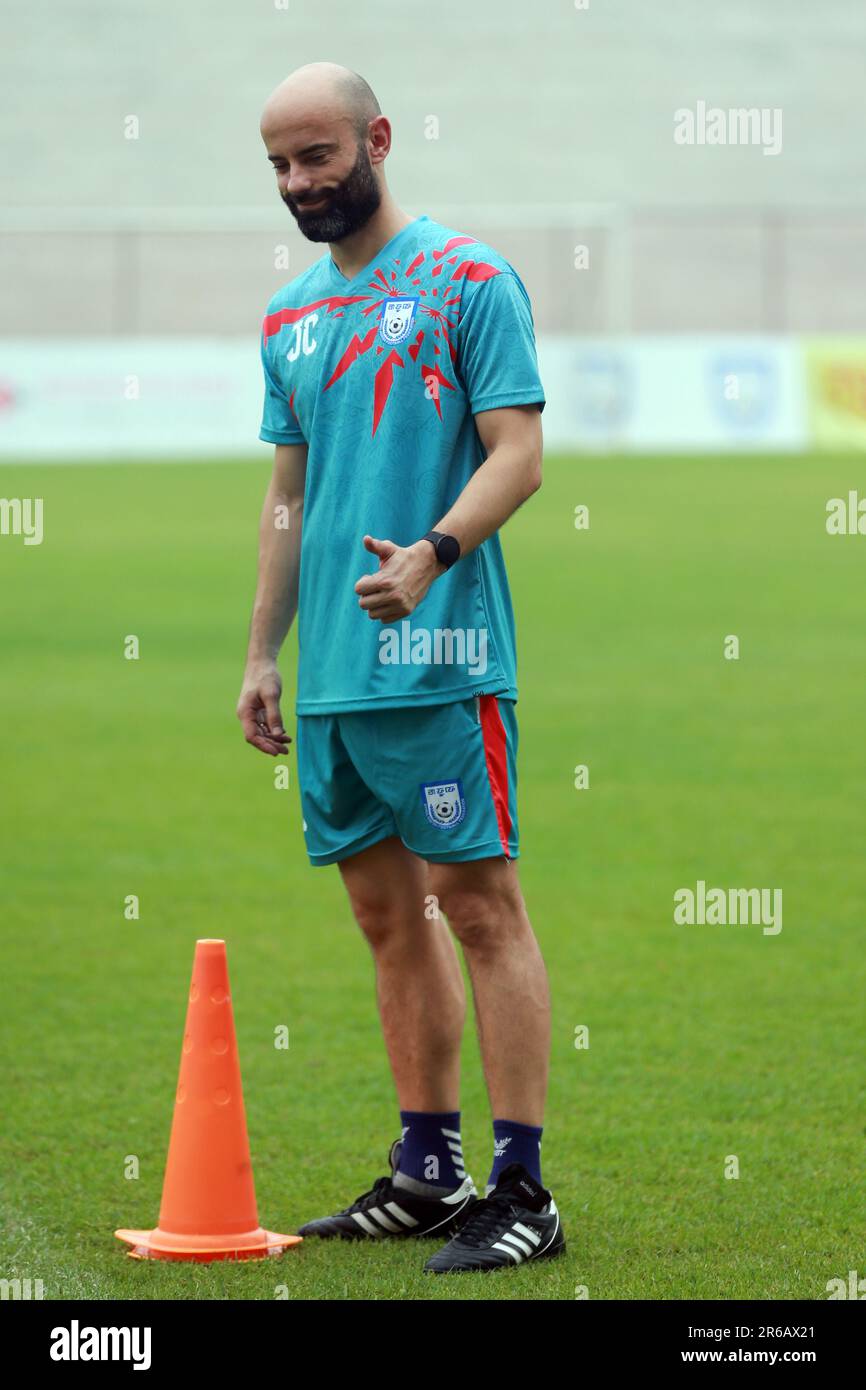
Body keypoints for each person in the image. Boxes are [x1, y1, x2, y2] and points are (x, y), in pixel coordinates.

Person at [237, 61, 563, 1273]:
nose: (297, 183)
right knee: (385, 917)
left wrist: (434, 551)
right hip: (333, 680)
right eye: (278, 165)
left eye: (316, 156)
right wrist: (264, 652)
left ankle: (523, 1190)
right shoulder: (289, 319)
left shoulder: (469, 280)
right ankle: (428, 1172)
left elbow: (517, 452)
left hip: (438, 658)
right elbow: (288, 497)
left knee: (476, 906)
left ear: (376, 138)